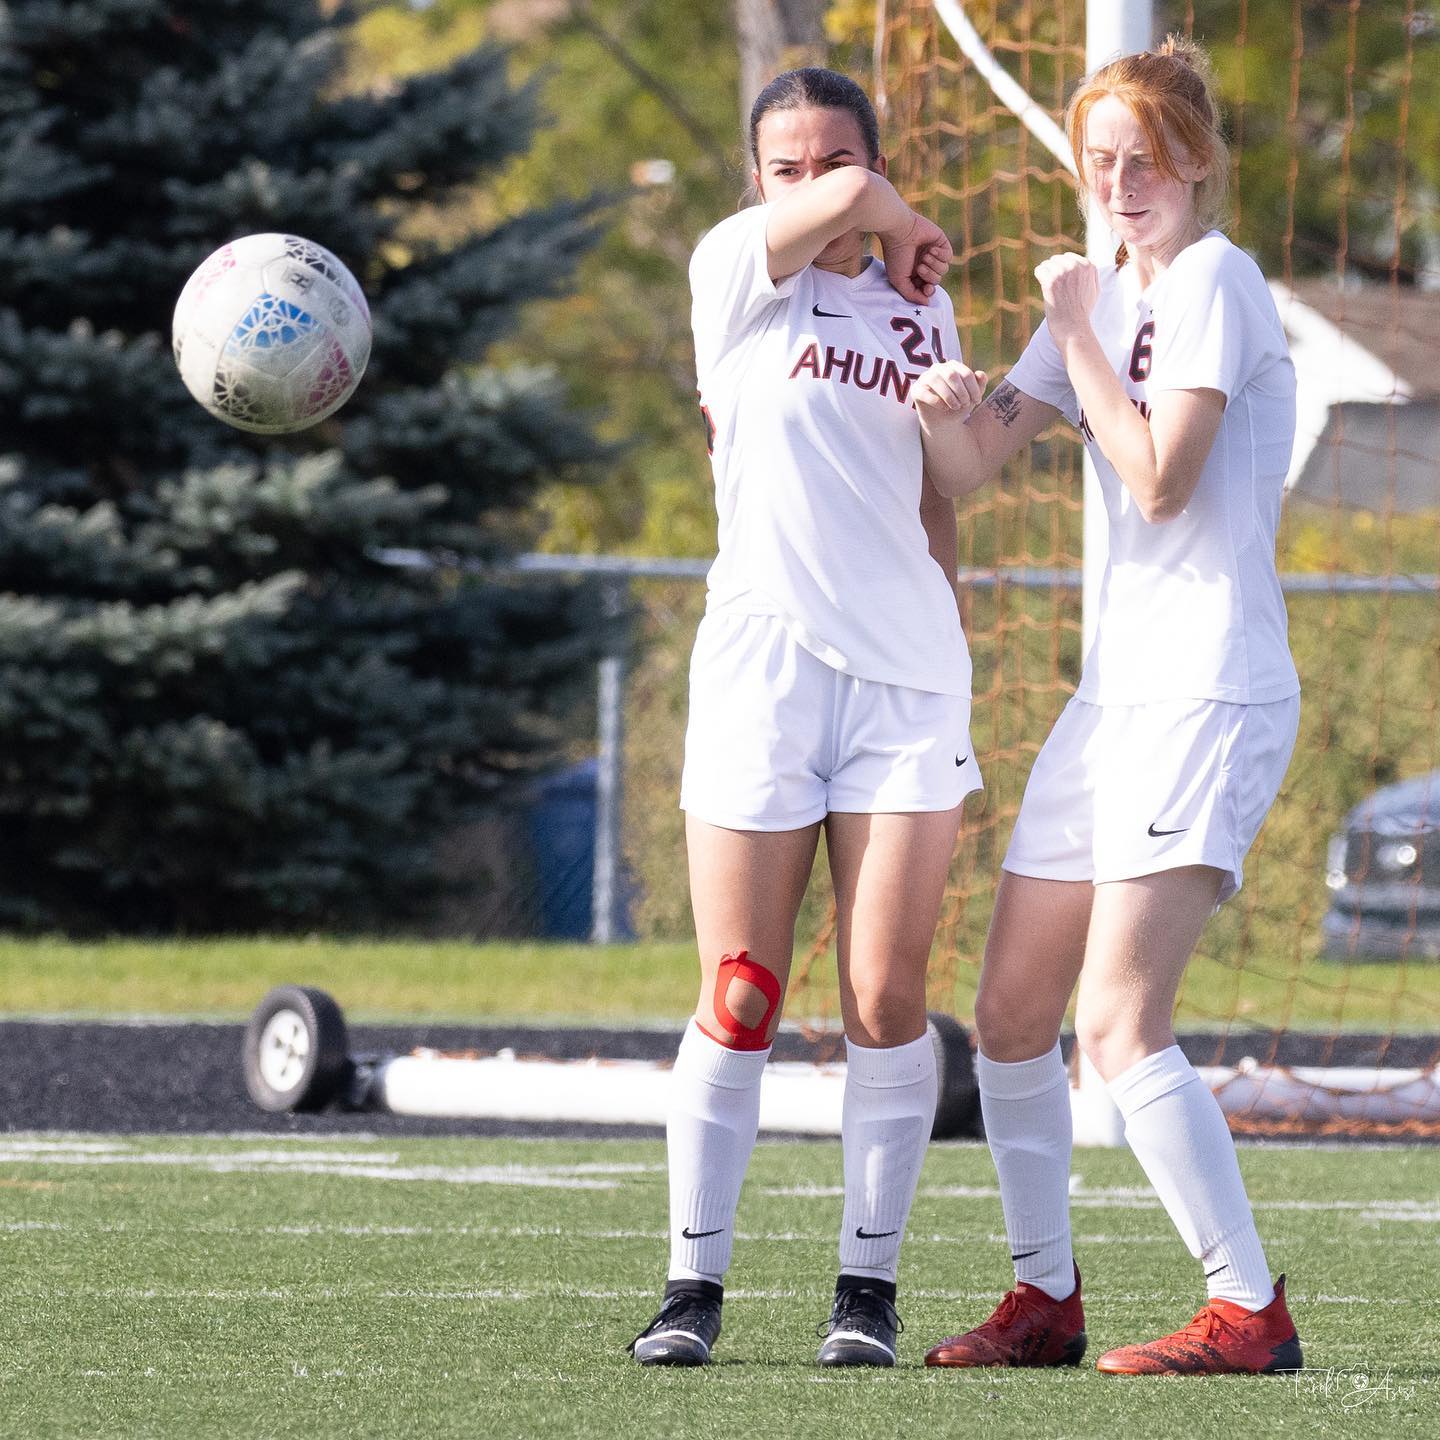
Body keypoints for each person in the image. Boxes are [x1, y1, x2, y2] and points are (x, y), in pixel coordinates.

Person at [910, 37, 1304, 1377]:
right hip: (1114, 697)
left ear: (1193, 160)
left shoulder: (1213, 285)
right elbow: (966, 467)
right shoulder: (1100, 291)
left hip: (1209, 689)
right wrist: (933, 386)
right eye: (1099, 163)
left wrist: (1073, 327)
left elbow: (1157, 483)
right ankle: (1045, 1302)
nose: (1121, 182)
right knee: (1011, 1014)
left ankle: (1246, 1308)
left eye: (1143, 160)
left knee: (1118, 1026)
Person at [628, 67, 981, 1369]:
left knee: (885, 996)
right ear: (758, 182)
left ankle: (865, 1293)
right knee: (743, 988)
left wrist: (948, 639)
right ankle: (690, 1290)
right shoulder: (733, 273)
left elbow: (941, 498)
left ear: (874, 159)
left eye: (841, 155)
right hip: (762, 672)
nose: (816, 179)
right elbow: (838, 205)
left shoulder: (918, 308)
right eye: (790, 165)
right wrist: (882, 203)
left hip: (902, 688)